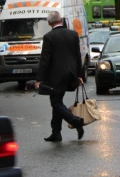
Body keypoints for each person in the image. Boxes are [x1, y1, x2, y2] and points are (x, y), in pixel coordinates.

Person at [35, 11, 85, 142]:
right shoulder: (73, 34)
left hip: (55, 77)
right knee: (57, 101)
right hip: (71, 74)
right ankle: (56, 133)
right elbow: (78, 56)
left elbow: (44, 60)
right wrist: (80, 75)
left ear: (49, 22)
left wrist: (39, 79)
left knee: (56, 103)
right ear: (61, 20)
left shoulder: (49, 37)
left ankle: (75, 121)